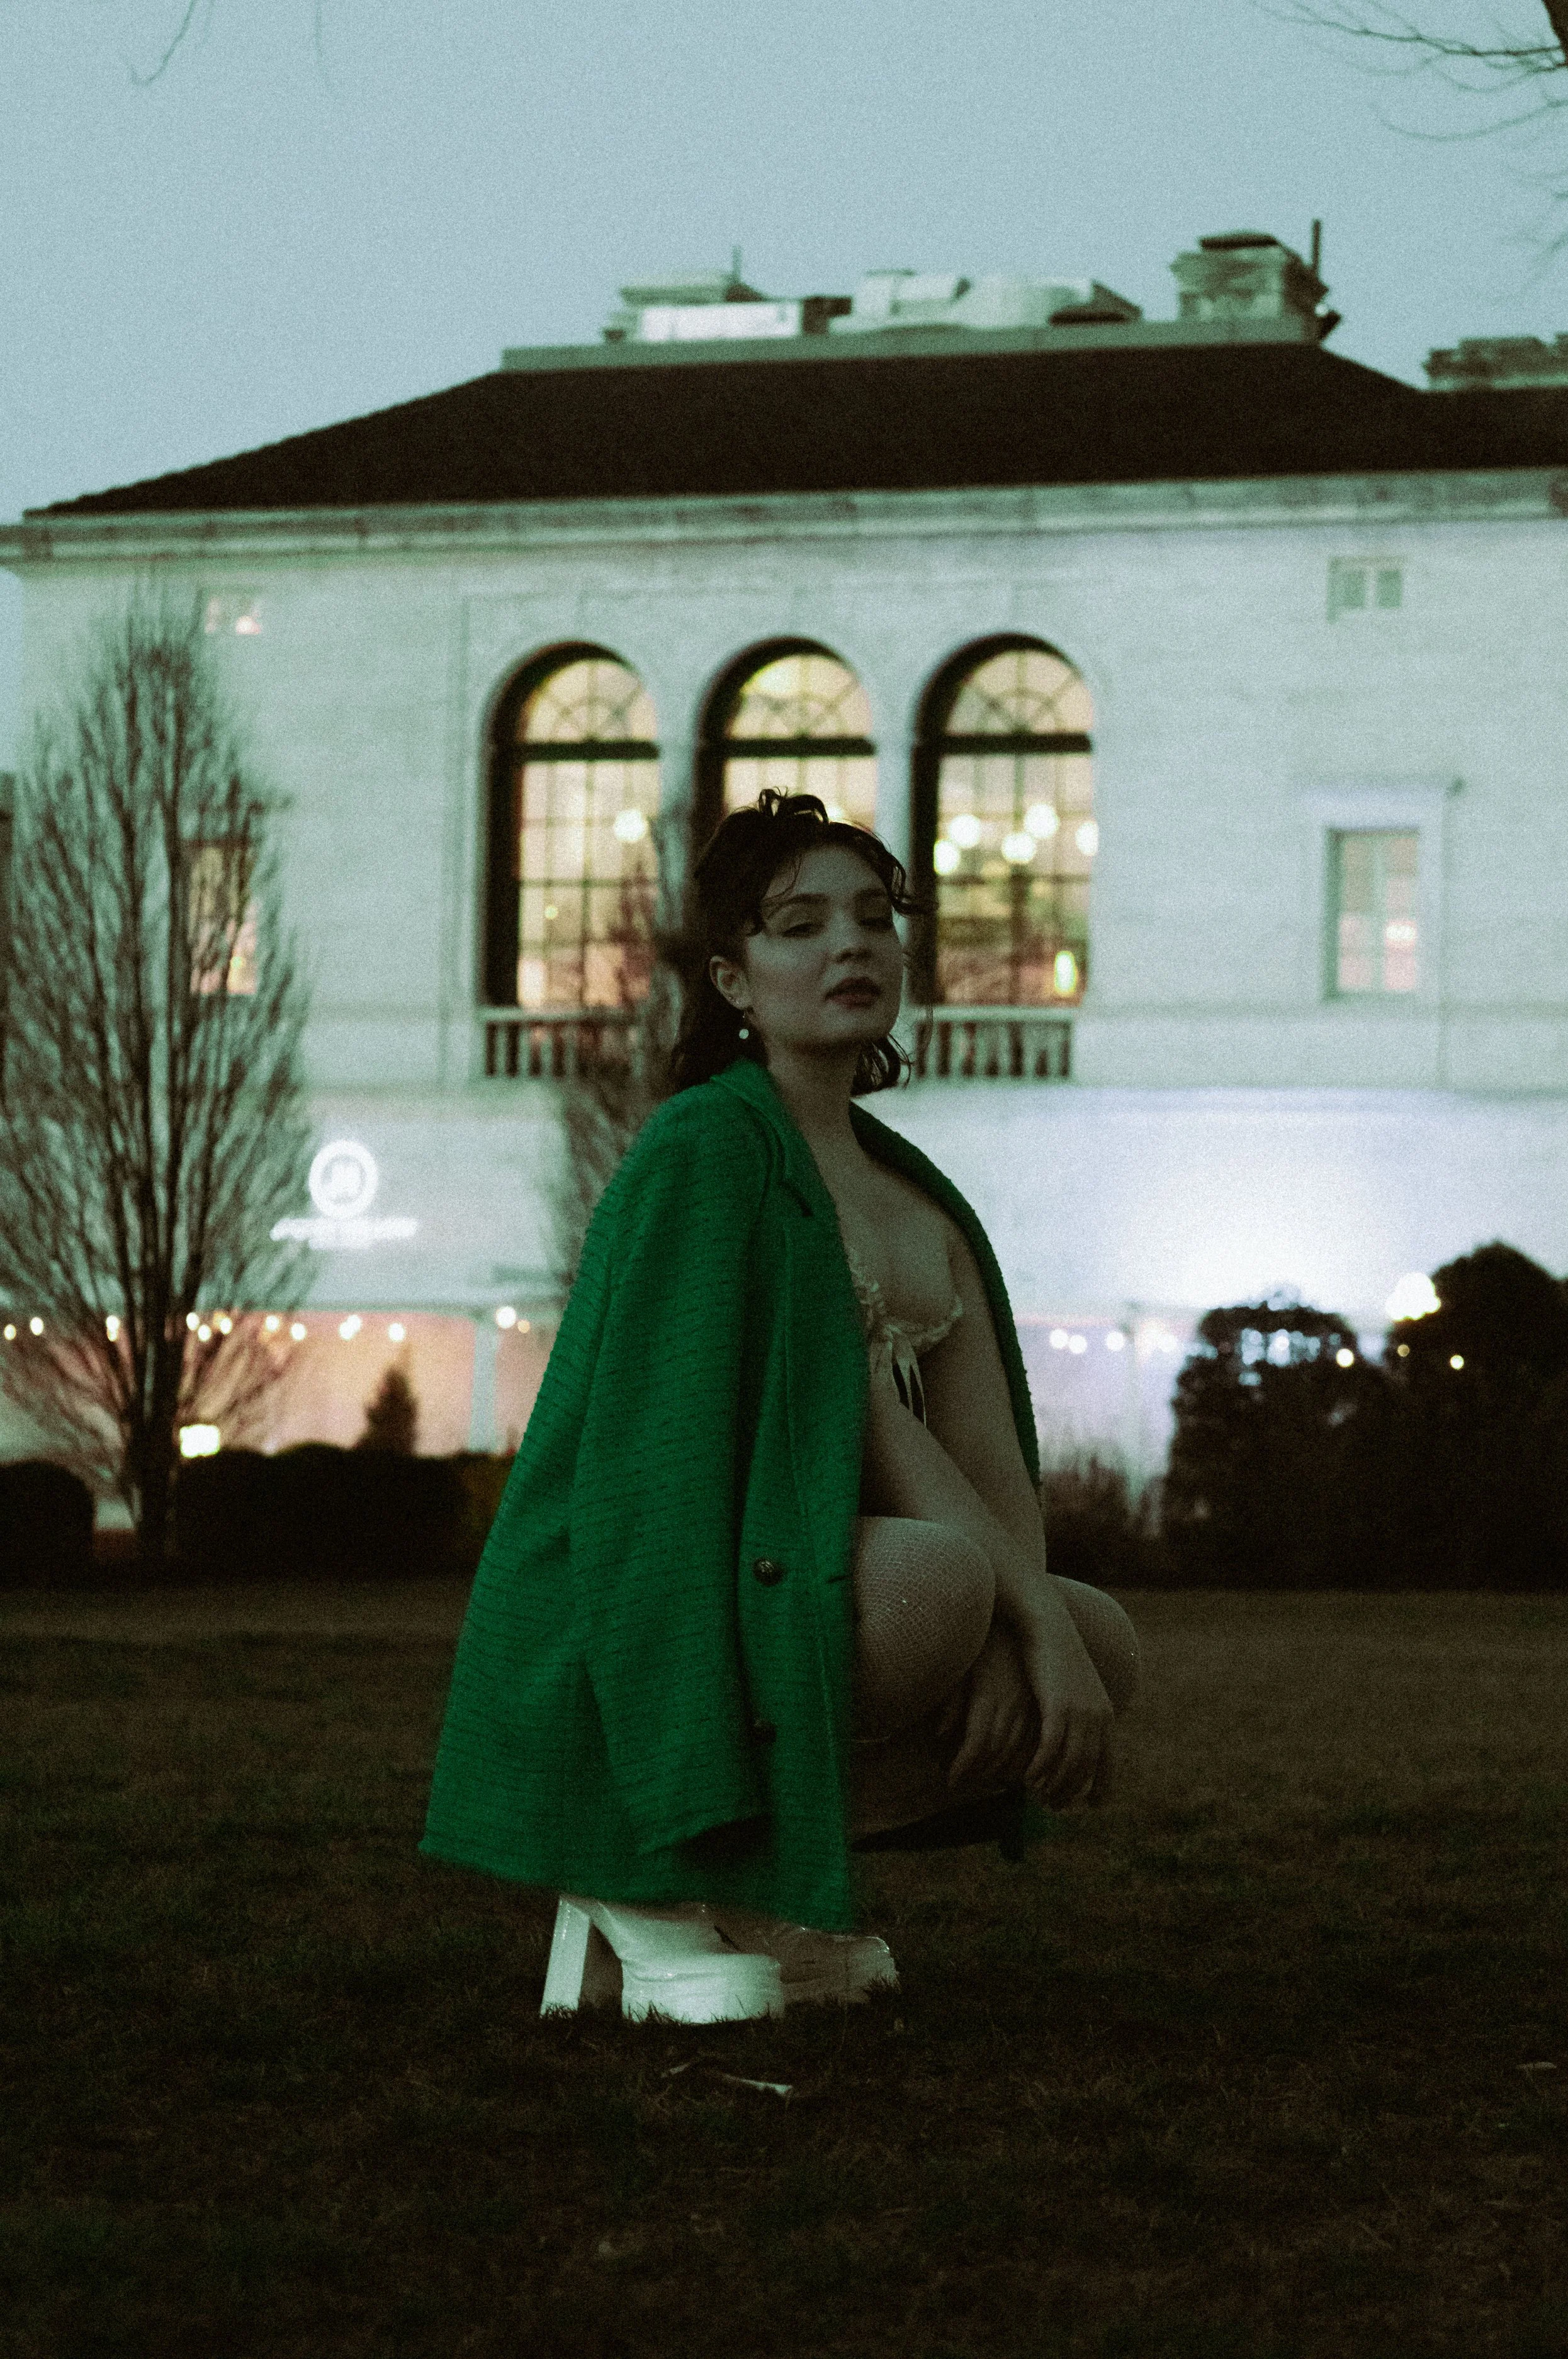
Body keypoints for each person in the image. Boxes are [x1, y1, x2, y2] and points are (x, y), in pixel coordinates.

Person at [422, 791, 1139, 2023]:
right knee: (940, 1586)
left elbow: (983, 1465)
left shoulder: (915, 1199)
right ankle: (631, 1871)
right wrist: (1007, 1617)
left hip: (785, 1576)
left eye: (873, 919)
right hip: (646, 1593)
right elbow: (671, 1471)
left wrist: (1035, 1634)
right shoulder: (706, 1149)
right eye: (798, 924)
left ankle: (759, 1893)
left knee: (1093, 1628)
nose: (850, 946)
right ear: (732, 979)